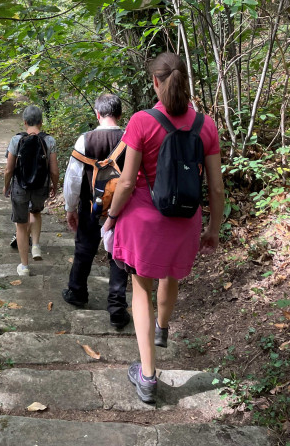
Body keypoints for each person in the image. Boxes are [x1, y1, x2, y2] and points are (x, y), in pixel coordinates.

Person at [103, 53, 224, 404]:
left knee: (141, 288)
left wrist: (111, 217)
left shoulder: (142, 121)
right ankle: (163, 328)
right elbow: (216, 188)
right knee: (171, 274)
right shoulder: (206, 125)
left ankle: (148, 377)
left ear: (155, 82)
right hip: (185, 220)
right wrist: (213, 229)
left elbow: (127, 183)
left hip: (145, 220)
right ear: (185, 80)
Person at [61, 93, 130, 329]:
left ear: (97, 114)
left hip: (90, 206)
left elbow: (73, 178)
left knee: (84, 248)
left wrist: (70, 208)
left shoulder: (85, 140)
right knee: (118, 255)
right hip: (121, 209)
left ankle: (77, 292)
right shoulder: (129, 139)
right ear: (120, 114)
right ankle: (117, 309)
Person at [3, 105, 59, 276]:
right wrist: (54, 186)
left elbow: (9, 169)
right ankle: (35, 246)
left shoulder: (16, 140)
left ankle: (24, 266)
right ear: (41, 122)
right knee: (35, 212)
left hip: (20, 186)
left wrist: (6, 186)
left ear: (25, 122)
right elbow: (54, 170)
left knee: (21, 225)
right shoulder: (49, 141)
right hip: (40, 186)